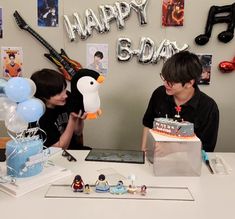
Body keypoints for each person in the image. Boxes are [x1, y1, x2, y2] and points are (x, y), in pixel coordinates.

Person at [141, 51, 219, 152]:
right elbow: (148, 124)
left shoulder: (208, 107)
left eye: (171, 82)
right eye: (164, 78)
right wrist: (144, 150)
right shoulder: (159, 93)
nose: (165, 84)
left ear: (189, 83)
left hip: (188, 162)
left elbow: (206, 148)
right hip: (156, 157)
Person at [30, 68, 91, 150]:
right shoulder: (39, 117)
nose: (65, 95)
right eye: (59, 93)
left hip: (75, 150)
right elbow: (60, 149)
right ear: (44, 96)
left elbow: (78, 132)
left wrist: (79, 118)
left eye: (64, 90)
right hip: (55, 157)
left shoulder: (67, 98)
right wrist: (72, 120)